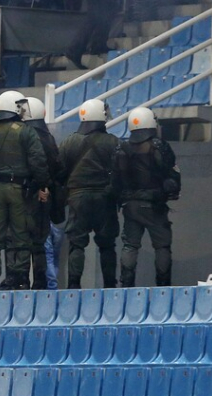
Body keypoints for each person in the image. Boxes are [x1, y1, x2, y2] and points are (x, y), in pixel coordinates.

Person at [0, 90, 49, 290]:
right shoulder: (26, 131)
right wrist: (41, 185)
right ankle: (20, 276)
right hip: (19, 189)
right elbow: (38, 161)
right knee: (20, 233)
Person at [113, 106, 180, 287]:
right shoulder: (159, 146)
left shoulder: (122, 148)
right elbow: (172, 176)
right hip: (154, 205)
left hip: (130, 206)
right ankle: (163, 285)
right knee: (162, 246)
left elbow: (116, 179)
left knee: (130, 246)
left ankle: (126, 285)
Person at [59, 99, 120, 289]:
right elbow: (121, 172)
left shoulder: (69, 142)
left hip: (77, 198)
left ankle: (74, 286)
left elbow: (59, 172)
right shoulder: (113, 142)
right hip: (105, 198)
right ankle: (110, 286)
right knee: (107, 245)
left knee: (77, 244)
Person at [16, 96, 64, 290]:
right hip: (44, 194)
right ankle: (41, 281)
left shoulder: (26, 135)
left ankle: (28, 281)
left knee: (29, 241)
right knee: (41, 242)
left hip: (29, 193)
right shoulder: (46, 137)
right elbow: (56, 166)